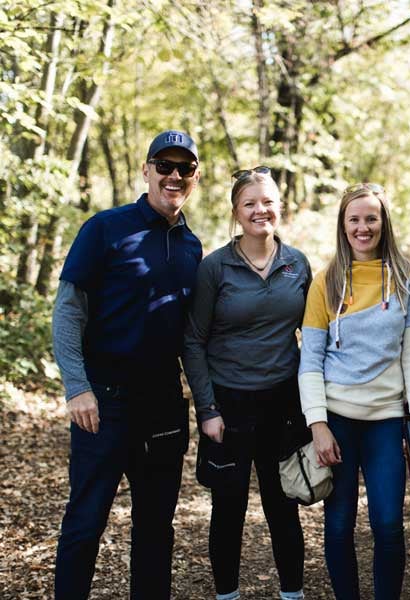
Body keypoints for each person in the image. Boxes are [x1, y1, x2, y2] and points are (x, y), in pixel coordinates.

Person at [52, 130, 203, 599]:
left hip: (163, 407)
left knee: (156, 530)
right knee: (85, 521)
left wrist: (208, 405)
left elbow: (191, 339)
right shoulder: (105, 228)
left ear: (195, 178)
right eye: (165, 165)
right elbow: (68, 311)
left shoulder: (192, 247)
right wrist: (77, 387)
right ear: (146, 170)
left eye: (185, 169)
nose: (174, 176)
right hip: (105, 403)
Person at [298, 183, 410, 600]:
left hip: (387, 420)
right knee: (339, 524)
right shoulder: (326, 282)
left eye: (370, 218)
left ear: (383, 222)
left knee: (389, 522)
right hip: (337, 419)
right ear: (342, 225)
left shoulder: (409, 279)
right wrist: (317, 423)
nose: (363, 227)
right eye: (353, 219)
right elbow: (310, 360)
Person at [183, 166, 311, 600]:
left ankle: (292, 593)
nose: (261, 210)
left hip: (283, 404)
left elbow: (313, 337)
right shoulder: (214, 268)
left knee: (284, 507)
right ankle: (227, 595)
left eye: (268, 201)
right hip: (229, 405)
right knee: (229, 509)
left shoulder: (298, 264)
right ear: (237, 213)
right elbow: (194, 341)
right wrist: (208, 409)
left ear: (280, 206)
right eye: (250, 203)